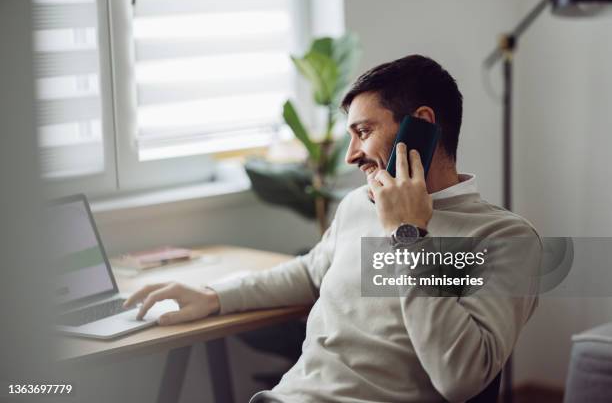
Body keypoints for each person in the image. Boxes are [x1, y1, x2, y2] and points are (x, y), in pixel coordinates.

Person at [124, 55, 541, 402]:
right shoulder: (359, 205)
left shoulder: (505, 239)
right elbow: (309, 271)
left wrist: (409, 235)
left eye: (364, 132)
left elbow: (461, 378)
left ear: (423, 125)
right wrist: (214, 297)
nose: (351, 156)